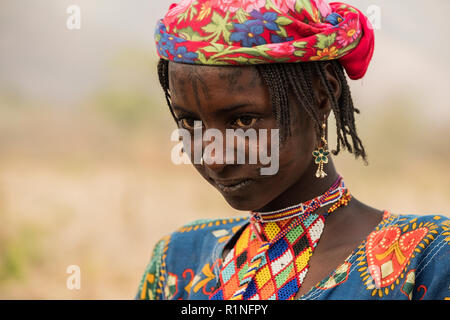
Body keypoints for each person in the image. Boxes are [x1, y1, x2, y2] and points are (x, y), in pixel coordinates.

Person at [136, 0, 449, 300]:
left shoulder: (426, 259)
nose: (214, 157)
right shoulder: (178, 262)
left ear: (321, 95)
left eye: (244, 120)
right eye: (190, 122)